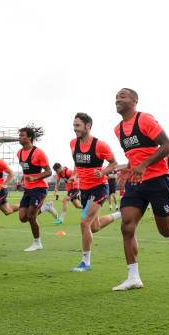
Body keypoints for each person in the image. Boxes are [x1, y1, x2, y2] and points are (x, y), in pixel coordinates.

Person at [112, 88, 169, 291]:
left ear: (135, 101)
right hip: (136, 182)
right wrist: (127, 170)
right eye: (116, 96)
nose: (118, 99)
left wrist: (144, 165)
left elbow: (168, 146)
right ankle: (133, 278)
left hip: (157, 180)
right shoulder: (117, 130)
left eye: (123, 96)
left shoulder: (145, 120)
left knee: (167, 230)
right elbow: (133, 156)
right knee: (127, 226)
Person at [69, 112, 121, 272]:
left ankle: (86, 262)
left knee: (84, 223)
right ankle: (120, 214)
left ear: (88, 126)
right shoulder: (72, 143)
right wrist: (74, 175)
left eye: (77, 125)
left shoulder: (100, 145)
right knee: (95, 226)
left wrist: (103, 172)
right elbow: (78, 164)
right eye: (74, 125)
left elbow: (114, 163)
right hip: (83, 189)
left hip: (99, 188)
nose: (74, 128)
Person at [16, 125, 54, 252]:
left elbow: (49, 172)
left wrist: (35, 177)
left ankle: (37, 243)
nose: (19, 138)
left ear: (30, 138)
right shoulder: (19, 153)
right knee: (22, 217)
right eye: (19, 135)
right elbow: (25, 171)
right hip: (28, 189)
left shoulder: (38, 153)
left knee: (31, 216)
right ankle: (46, 208)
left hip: (39, 188)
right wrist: (21, 182)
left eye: (22, 136)